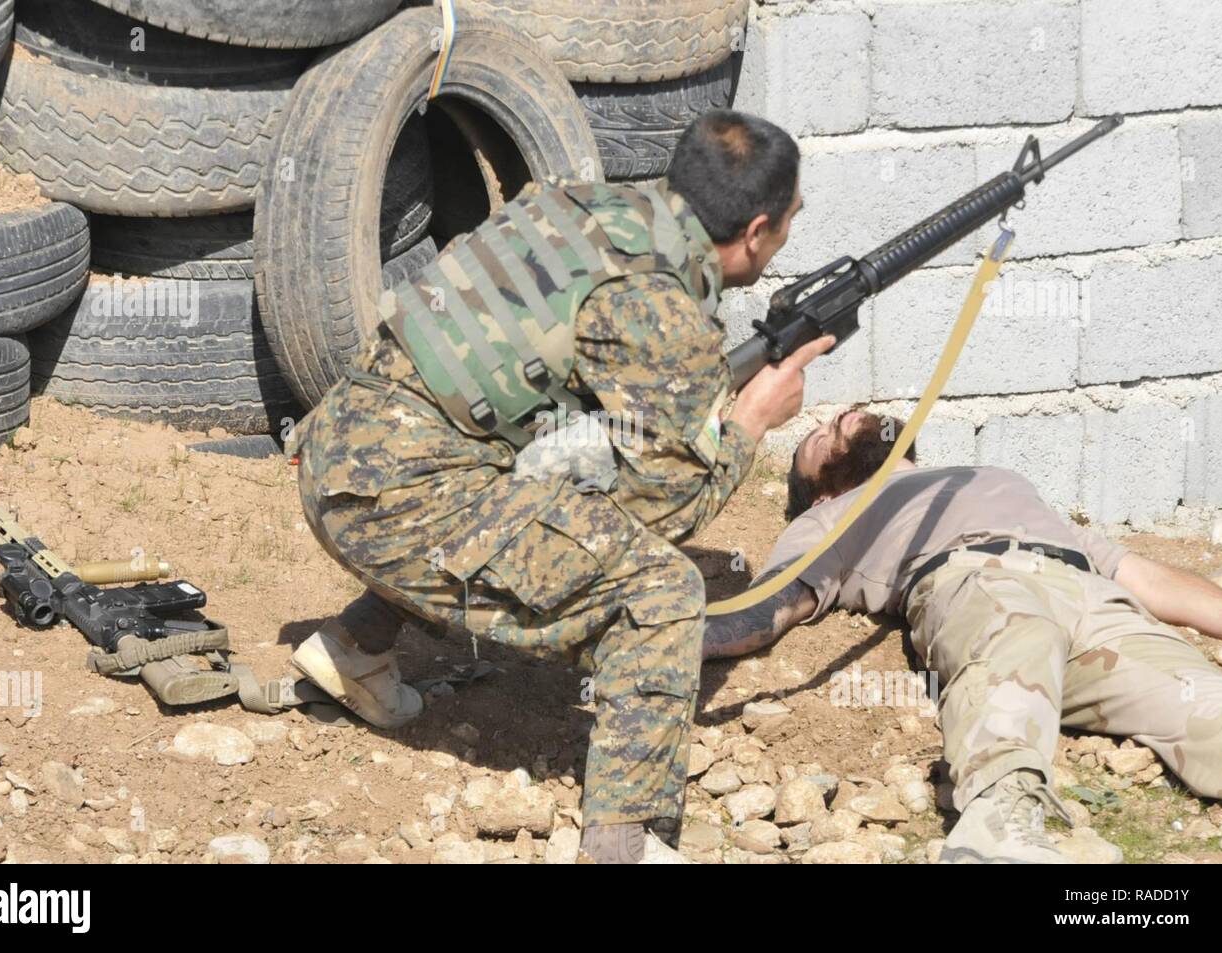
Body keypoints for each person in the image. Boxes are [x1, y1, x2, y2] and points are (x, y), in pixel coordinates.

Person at [287, 110, 835, 863]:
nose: (785, 242)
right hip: (396, 500)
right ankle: (627, 840)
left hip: (343, 453)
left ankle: (356, 647)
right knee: (662, 592)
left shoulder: (589, 209)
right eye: (788, 225)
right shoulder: (657, 303)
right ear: (757, 231)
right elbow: (671, 506)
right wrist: (749, 422)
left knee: (544, 472)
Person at [705, 408, 1222, 863]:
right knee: (1015, 638)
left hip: (1091, 596)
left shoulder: (989, 478)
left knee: (1209, 701)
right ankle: (998, 831)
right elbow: (771, 606)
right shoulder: (833, 518)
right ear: (821, 494)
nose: (832, 419)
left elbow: (1139, 575)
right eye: (820, 437)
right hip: (979, 582)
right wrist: (669, 641)